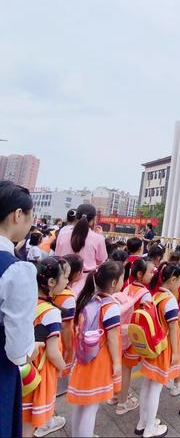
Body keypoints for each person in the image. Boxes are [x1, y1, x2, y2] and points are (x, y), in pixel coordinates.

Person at [0, 181, 40, 438]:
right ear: (17, 215)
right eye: (29, 216)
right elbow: (17, 351)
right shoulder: (16, 270)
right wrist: (30, 350)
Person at [67, 261, 124, 438]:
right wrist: (116, 363)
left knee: (81, 404)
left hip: (83, 358)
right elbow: (113, 337)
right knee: (91, 407)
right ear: (114, 283)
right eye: (122, 279)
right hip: (99, 361)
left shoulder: (89, 299)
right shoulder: (110, 306)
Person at [23, 257, 68, 438]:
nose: (67, 281)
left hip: (23, 369)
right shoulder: (51, 313)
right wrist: (64, 368)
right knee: (27, 427)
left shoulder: (27, 301)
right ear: (51, 282)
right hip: (37, 377)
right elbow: (52, 353)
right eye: (65, 277)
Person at [139, 264, 180, 438]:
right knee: (156, 387)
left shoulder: (155, 295)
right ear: (172, 280)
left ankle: (143, 422)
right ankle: (150, 427)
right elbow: (173, 328)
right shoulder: (170, 300)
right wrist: (175, 353)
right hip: (163, 349)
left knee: (147, 384)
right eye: (179, 281)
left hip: (151, 346)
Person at [114, 259, 155, 417]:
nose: (152, 275)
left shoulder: (127, 287)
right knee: (126, 370)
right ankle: (122, 403)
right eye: (150, 272)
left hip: (120, 333)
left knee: (120, 368)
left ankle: (116, 395)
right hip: (132, 336)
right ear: (140, 274)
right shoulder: (145, 294)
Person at [55, 204, 108, 297]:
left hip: (62, 280)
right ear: (94, 220)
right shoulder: (98, 238)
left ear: (76, 217)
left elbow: (57, 257)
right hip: (86, 284)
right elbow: (101, 260)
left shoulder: (63, 236)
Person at [54, 254, 83, 396]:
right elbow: (66, 326)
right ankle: (59, 390)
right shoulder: (68, 297)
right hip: (61, 339)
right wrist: (69, 346)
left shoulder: (53, 291)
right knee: (61, 365)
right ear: (76, 273)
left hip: (52, 336)